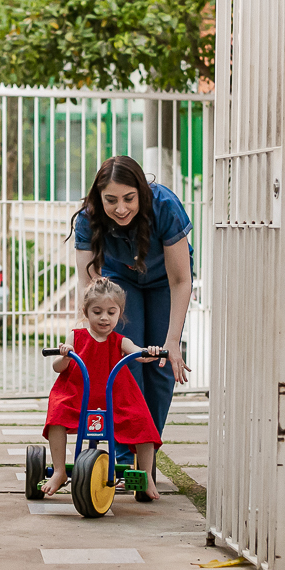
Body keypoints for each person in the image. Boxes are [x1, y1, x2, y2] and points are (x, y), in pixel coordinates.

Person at [71, 156, 192, 463]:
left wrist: (173, 343)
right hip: (121, 280)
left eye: (128, 198)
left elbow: (180, 280)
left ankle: (146, 452)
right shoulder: (88, 217)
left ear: (141, 192)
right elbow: (88, 285)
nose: (120, 209)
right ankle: (124, 458)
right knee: (124, 361)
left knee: (160, 363)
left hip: (165, 280)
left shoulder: (165, 206)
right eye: (111, 200)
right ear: (99, 198)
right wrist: (91, 338)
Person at [42, 278, 163, 499]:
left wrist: (151, 352)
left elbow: (140, 354)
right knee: (57, 412)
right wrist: (66, 355)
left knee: (142, 419)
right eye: (97, 311)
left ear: (119, 313)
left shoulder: (120, 341)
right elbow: (57, 368)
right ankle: (59, 471)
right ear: (86, 311)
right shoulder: (76, 337)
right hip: (79, 395)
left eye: (111, 312)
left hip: (114, 398)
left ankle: (146, 475)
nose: (104, 317)